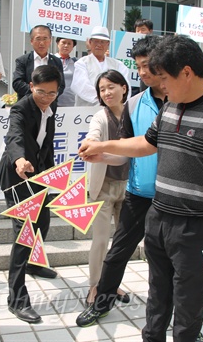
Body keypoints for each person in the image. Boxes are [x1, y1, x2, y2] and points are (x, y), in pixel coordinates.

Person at [78, 35, 203, 342]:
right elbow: (146, 143)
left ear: (186, 72)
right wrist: (102, 146)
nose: (160, 85)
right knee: (157, 296)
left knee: (188, 302)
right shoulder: (170, 107)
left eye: (163, 78)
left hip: (197, 226)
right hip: (159, 217)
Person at [76, 34, 166, 327]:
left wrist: (104, 151)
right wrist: (99, 153)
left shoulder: (183, 101)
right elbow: (127, 149)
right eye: (138, 66)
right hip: (131, 193)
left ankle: (172, 315)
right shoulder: (133, 106)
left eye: (147, 66)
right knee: (114, 250)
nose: (143, 72)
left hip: (169, 196)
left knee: (163, 258)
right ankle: (100, 297)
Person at [0, 65, 62, 323]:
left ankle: (34, 264)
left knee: (42, 223)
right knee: (24, 232)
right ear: (31, 86)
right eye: (41, 92)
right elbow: (14, 137)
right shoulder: (21, 108)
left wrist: (54, 175)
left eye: (52, 93)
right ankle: (17, 299)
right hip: (16, 177)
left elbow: (47, 145)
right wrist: (20, 160)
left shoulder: (51, 109)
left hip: (39, 176)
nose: (45, 97)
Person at [85, 70, 130, 305]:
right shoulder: (100, 117)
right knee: (100, 240)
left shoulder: (134, 115)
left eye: (111, 86)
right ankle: (94, 285)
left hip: (130, 187)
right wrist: (91, 144)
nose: (106, 92)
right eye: (102, 90)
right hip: (103, 187)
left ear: (124, 87)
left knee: (122, 243)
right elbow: (93, 135)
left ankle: (112, 284)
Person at [72, 26, 131, 106]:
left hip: (113, 109)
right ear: (90, 42)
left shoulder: (118, 65)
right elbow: (81, 86)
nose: (99, 45)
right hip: (86, 111)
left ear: (108, 44)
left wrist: (114, 102)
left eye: (102, 42)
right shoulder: (82, 63)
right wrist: (104, 99)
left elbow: (126, 87)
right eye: (96, 41)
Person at [12, 25, 65, 103]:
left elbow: (61, 85)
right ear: (31, 41)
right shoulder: (22, 60)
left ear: (50, 40)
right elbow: (17, 83)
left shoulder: (56, 61)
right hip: (27, 104)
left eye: (45, 39)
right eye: (38, 39)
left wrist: (49, 95)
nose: (41, 43)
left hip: (49, 105)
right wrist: (37, 94)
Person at [54, 37, 78, 107]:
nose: (66, 46)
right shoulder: (50, 60)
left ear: (73, 47)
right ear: (58, 43)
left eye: (69, 43)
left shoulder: (76, 63)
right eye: (63, 42)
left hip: (71, 101)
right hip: (53, 100)